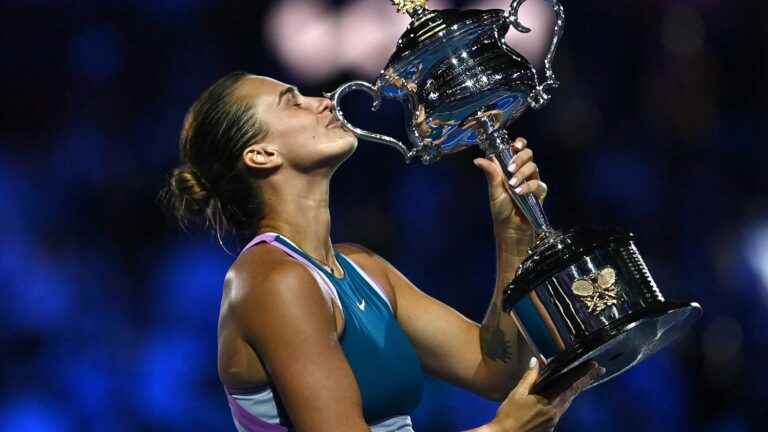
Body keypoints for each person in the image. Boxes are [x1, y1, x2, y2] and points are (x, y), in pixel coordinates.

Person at [159, 71, 604, 432]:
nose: (324, 101)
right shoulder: (272, 282)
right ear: (261, 154)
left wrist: (513, 236)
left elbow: (492, 366)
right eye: (293, 101)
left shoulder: (363, 267)